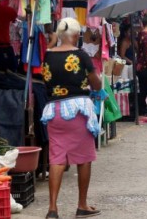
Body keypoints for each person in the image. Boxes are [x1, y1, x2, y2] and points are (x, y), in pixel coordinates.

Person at [40, 18, 102, 219]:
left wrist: (53, 40)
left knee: (56, 159)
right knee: (84, 157)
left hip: (54, 111)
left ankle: (52, 209)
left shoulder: (48, 55)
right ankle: (82, 205)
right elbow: (97, 85)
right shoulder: (81, 55)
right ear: (76, 36)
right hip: (77, 111)